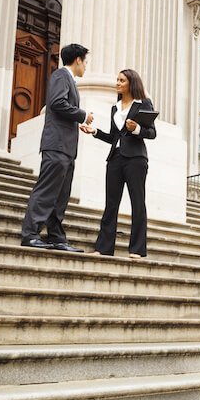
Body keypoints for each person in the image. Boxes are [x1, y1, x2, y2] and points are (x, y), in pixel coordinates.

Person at [20, 43, 94, 252]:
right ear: (78, 60)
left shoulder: (68, 79)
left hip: (67, 148)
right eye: (85, 62)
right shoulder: (61, 75)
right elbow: (57, 103)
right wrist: (82, 114)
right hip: (57, 145)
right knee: (46, 191)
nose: (86, 67)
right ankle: (30, 234)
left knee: (60, 195)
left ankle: (56, 237)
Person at [82, 69, 156, 258]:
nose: (117, 83)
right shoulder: (115, 108)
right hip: (115, 158)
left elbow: (152, 133)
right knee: (111, 204)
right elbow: (113, 137)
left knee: (137, 203)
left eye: (121, 80)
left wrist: (137, 128)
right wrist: (94, 131)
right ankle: (104, 248)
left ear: (131, 83)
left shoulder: (143, 103)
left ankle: (137, 250)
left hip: (136, 159)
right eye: (117, 80)